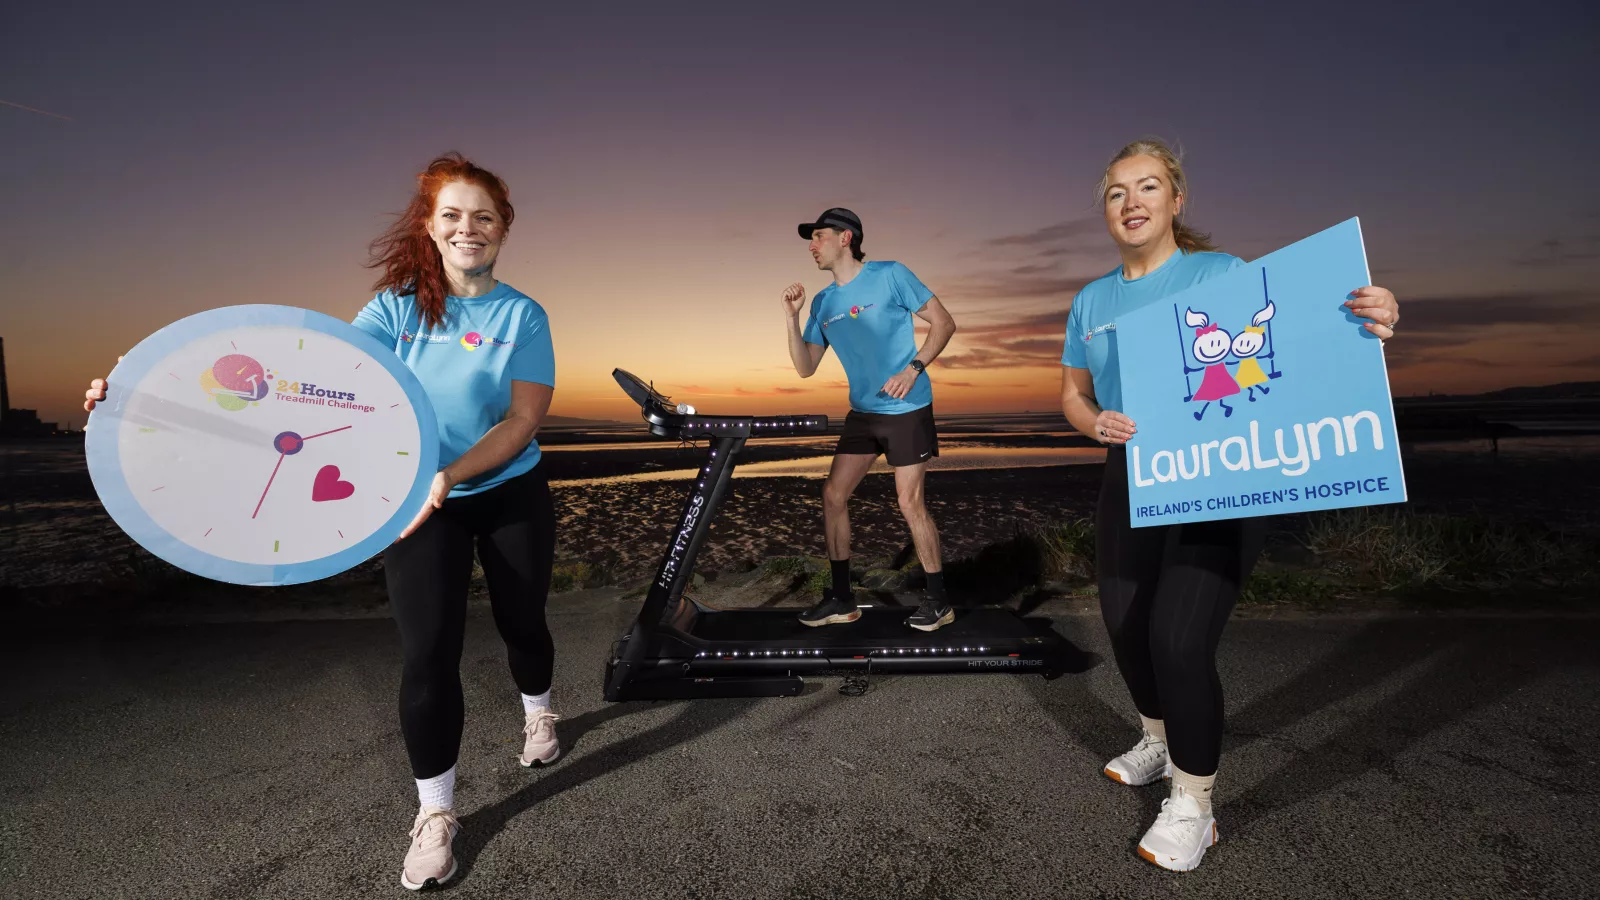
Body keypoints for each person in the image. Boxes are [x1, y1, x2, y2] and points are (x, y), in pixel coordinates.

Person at [85, 152, 562, 891]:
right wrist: (142, 393)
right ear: (431, 229)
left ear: (504, 228)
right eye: (453, 216)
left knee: (522, 623)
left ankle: (539, 712)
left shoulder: (522, 314)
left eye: (484, 216)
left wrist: (454, 473)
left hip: (505, 492)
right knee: (428, 652)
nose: (469, 228)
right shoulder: (396, 308)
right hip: (413, 505)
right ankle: (436, 814)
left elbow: (524, 420)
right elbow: (308, 388)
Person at [1058, 139, 1401, 872]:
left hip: (1218, 475)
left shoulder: (1220, 274)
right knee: (1124, 629)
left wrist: (1366, 314)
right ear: (1106, 208)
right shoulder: (1091, 299)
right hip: (1131, 473)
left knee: (1177, 641)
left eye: (1148, 187)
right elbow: (1072, 393)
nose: (1132, 202)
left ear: (1176, 201)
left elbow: (1295, 337)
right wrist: (1093, 423)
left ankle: (1194, 803)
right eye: (1117, 192)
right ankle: (1159, 736)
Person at [781, 208, 960, 632]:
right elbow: (806, 365)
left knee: (908, 502)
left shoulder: (891, 274)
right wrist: (791, 316)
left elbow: (944, 323)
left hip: (906, 408)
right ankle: (842, 599)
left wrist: (913, 368)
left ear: (846, 237)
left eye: (818, 237)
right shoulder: (823, 303)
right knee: (832, 495)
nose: (811, 246)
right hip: (863, 413)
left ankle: (938, 601)